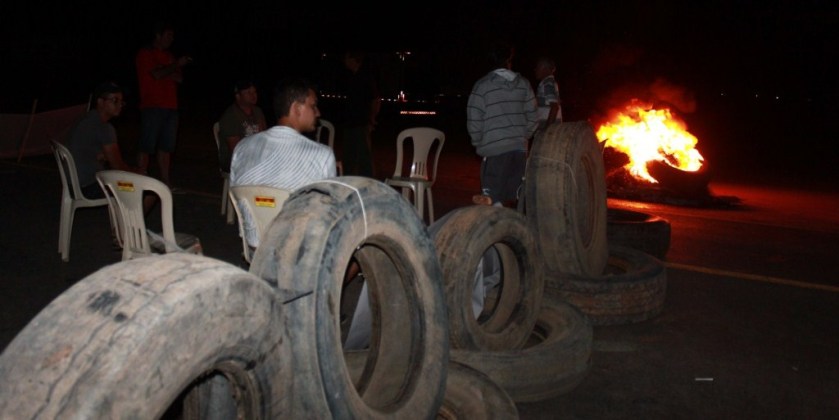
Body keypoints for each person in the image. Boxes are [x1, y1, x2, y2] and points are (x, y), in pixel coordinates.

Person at [229, 77, 336, 249]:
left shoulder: (242, 147)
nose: (318, 113)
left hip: (255, 247)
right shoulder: (322, 155)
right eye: (313, 105)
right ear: (296, 108)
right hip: (297, 252)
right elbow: (326, 216)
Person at [466, 41, 538, 208]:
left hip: (495, 150)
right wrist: (523, 136)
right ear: (509, 60)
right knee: (514, 197)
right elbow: (533, 116)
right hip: (519, 150)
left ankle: (497, 227)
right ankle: (514, 229)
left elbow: (474, 118)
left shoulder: (482, 86)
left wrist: (478, 142)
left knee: (492, 198)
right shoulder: (524, 84)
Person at [135, 20, 191, 188]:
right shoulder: (145, 54)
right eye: (168, 35)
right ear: (158, 35)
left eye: (172, 36)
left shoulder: (168, 56)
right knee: (146, 145)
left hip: (171, 106)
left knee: (166, 147)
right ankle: (140, 179)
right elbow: (157, 75)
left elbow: (179, 78)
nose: (171, 39)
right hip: (152, 105)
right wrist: (173, 66)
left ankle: (165, 182)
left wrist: (166, 69)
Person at [66, 81, 133, 199]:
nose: (119, 105)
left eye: (121, 102)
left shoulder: (85, 119)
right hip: (91, 186)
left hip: (72, 185)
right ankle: (131, 217)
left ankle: (124, 216)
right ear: (100, 101)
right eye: (114, 100)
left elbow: (87, 151)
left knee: (131, 182)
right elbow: (118, 166)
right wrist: (138, 175)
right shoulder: (104, 127)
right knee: (145, 189)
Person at [340, 50, 380, 178]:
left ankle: (368, 184)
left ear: (353, 60)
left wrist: (371, 119)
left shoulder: (365, 77)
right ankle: (349, 182)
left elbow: (375, 99)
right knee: (348, 157)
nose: (344, 62)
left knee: (364, 158)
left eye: (347, 58)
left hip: (361, 123)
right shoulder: (351, 77)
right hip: (350, 123)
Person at [217, 79, 267, 172]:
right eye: (248, 92)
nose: (253, 95)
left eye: (254, 92)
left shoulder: (258, 111)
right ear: (238, 96)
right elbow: (236, 149)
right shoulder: (230, 116)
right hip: (234, 160)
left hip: (254, 156)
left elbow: (264, 137)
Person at [534, 56, 562, 137]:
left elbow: (554, 107)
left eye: (537, 67)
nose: (535, 70)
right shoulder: (550, 83)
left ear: (544, 68)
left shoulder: (547, 83)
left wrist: (546, 131)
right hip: (552, 130)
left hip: (548, 131)